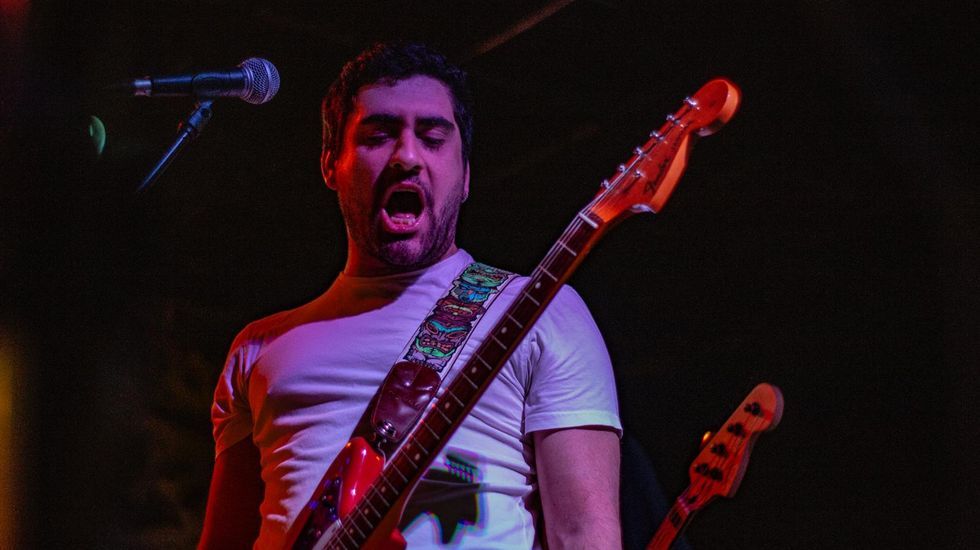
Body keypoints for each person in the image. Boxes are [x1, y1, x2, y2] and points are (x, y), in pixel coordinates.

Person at [199, 42, 622, 549]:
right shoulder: (258, 348)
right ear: (331, 164)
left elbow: (585, 535)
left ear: (465, 176)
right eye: (378, 136)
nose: (406, 157)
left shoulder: (540, 310)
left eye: (432, 137)